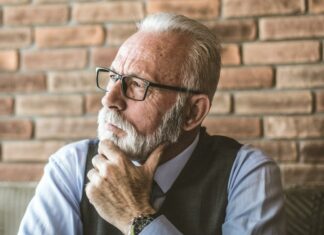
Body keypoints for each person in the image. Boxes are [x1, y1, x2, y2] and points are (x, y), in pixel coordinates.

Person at [18, 13, 285, 235]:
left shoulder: (247, 173)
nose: (110, 99)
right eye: (113, 76)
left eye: (137, 84)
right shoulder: (71, 167)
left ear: (192, 112)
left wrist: (135, 215)